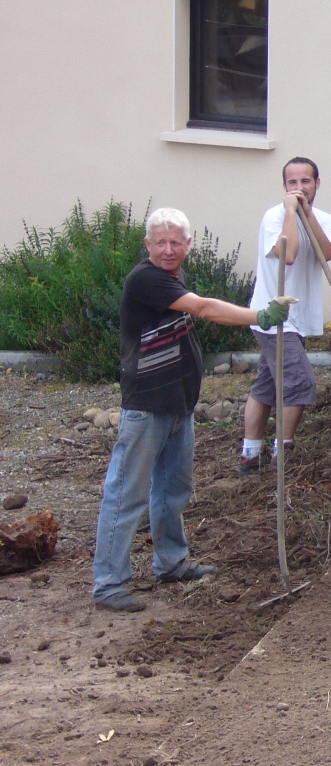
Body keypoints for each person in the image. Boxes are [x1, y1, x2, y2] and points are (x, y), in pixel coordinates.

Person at [92, 208, 292, 612]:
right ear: (147, 245)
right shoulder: (146, 279)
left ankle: (171, 561)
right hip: (147, 406)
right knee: (126, 495)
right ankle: (109, 584)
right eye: (160, 242)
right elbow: (203, 309)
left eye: (176, 242)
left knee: (173, 489)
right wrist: (261, 316)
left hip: (178, 404)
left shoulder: (171, 277)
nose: (168, 249)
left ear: (188, 244)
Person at [239, 157, 331, 473]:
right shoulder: (274, 217)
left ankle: (250, 455)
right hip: (273, 316)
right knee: (300, 381)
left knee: (267, 387)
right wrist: (291, 215)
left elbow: (327, 253)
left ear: (317, 183)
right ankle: (282, 453)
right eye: (292, 183)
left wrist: (307, 214)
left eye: (305, 182)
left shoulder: (324, 218)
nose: (299, 188)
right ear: (284, 187)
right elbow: (290, 255)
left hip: (299, 317)